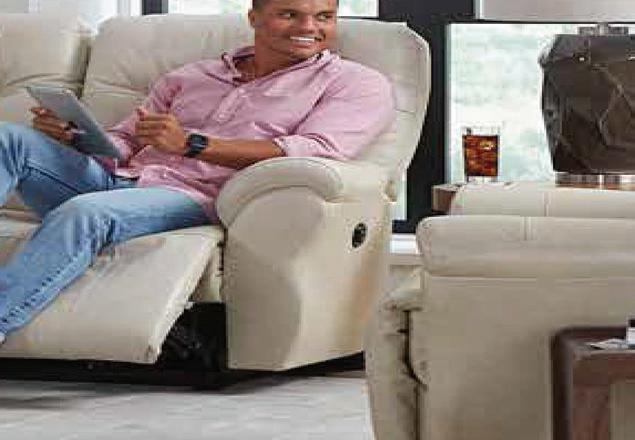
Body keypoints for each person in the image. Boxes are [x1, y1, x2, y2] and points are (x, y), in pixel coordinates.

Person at [0, 0, 394, 344]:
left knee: (86, 211)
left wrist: (193, 144)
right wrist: (76, 138)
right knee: (8, 137)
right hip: (123, 179)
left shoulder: (355, 83)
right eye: (289, 14)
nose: (309, 27)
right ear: (254, 18)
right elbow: (126, 141)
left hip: (198, 197)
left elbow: (315, 151)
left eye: (324, 16)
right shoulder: (193, 76)